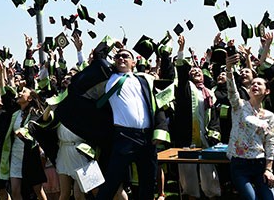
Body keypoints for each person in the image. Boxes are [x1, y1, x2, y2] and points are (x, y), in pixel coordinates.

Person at [95, 47, 170, 200]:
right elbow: (98, 56)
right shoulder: (109, 77)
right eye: (118, 56)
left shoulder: (144, 80)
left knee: (148, 183)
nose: (121, 58)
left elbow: (158, 103)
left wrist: (160, 131)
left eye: (125, 56)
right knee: (112, 182)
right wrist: (112, 43)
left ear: (134, 62)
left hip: (147, 138)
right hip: (123, 136)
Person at [174, 35, 222, 199]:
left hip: (205, 135)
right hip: (187, 136)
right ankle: (191, 196)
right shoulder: (185, 88)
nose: (195, 71)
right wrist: (181, 50)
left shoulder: (210, 93)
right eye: (192, 71)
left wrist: (214, 132)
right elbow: (181, 71)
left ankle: (213, 195)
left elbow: (215, 117)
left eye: (199, 71)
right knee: (188, 174)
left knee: (209, 172)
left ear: (204, 76)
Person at [225, 53, 274, 200]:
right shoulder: (239, 106)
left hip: (260, 164)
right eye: (253, 83)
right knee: (250, 198)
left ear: (267, 91)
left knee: (269, 198)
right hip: (240, 164)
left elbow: (270, 143)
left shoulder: (269, 116)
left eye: (259, 83)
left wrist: (268, 169)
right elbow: (231, 91)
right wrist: (229, 69)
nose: (254, 85)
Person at [2, 87, 47, 200]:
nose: (20, 93)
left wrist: (24, 131)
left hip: (30, 154)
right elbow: (5, 96)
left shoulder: (36, 113)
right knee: (15, 191)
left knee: (38, 190)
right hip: (15, 155)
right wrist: (1, 73)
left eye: (23, 92)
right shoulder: (16, 113)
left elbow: (33, 126)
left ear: (30, 98)